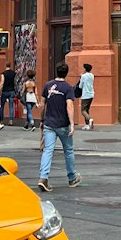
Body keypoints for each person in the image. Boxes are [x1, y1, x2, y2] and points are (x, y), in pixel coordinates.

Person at [37, 61, 81, 192]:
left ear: (56, 71)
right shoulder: (68, 88)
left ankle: (43, 177)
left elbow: (42, 104)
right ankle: (72, 177)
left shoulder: (47, 85)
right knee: (68, 150)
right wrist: (72, 124)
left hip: (49, 124)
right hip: (63, 124)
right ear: (66, 73)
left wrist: (42, 120)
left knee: (48, 151)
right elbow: (69, 105)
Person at [78, 62, 95, 129]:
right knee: (87, 110)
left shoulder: (83, 76)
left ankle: (90, 119)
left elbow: (80, 86)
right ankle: (87, 124)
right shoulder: (92, 75)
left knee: (83, 111)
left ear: (85, 69)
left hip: (85, 95)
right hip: (91, 94)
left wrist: (81, 77)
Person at [0, 62, 16, 127]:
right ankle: (11, 120)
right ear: (10, 65)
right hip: (11, 91)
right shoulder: (13, 73)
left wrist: (0, 91)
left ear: (5, 66)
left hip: (5, 91)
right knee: (11, 106)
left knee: (2, 106)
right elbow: (15, 82)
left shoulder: (3, 74)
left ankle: (1, 120)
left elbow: (2, 83)